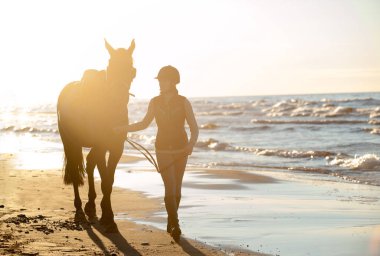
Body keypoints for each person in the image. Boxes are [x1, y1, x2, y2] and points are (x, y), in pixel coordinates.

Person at [114, 65, 199, 242]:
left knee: (177, 189)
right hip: (161, 149)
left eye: (163, 80)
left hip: (181, 149)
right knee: (170, 186)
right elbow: (144, 124)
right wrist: (123, 128)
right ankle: (175, 224)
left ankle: (171, 219)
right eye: (159, 80)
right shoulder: (155, 101)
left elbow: (194, 127)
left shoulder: (184, 102)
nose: (160, 83)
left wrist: (191, 144)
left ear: (173, 81)